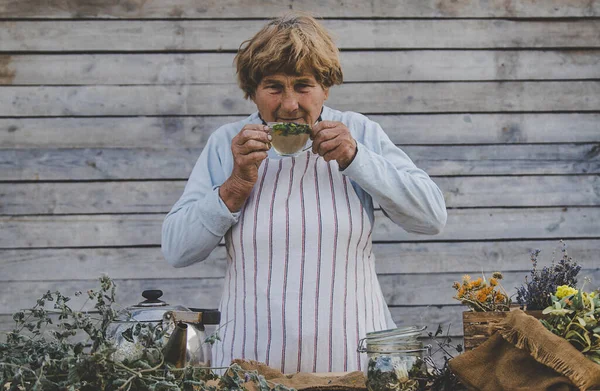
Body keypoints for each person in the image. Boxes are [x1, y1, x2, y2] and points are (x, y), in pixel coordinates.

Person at [161, 12, 447, 374]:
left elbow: (431, 217)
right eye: (273, 86)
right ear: (252, 91)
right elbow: (177, 249)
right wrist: (235, 186)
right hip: (248, 369)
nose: (289, 104)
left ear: (325, 87)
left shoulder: (359, 132)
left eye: (303, 85)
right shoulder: (226, 144)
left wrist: (356, 157)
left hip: (352, 366)